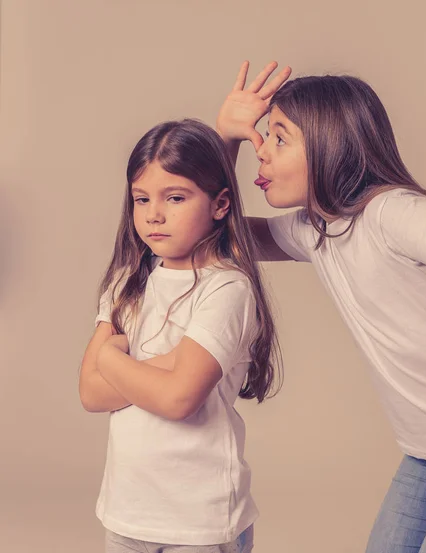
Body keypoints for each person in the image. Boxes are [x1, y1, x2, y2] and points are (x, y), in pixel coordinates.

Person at [215, 61, 426, 553]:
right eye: (260, 140)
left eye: (278, 138)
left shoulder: (392, 212)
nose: (261, 154)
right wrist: (224, 139)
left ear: (330, 143)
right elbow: (214, 231)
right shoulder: (314, 230)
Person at [78, 118, 282, 553]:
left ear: (220, 205)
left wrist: (114, 360)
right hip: (127, 510)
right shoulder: (126, 282)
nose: (154, 213)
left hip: (200, 521)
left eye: (175, 197)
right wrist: (170, 365)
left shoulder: (226, 288)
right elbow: (91, 394)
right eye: (141, 198)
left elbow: (178, 399)